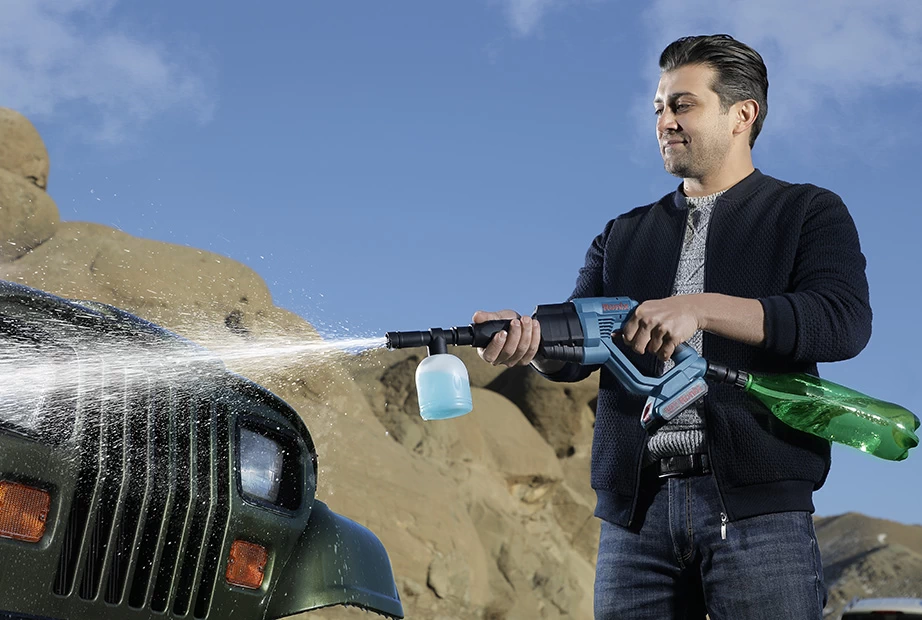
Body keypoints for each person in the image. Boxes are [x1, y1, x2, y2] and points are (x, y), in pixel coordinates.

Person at [473, 34, 872, 620]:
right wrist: (530, 339)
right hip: (636, 519)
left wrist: (702, 307)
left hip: (760, 516)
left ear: (743, 114)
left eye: (683, 105)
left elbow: (841, 322)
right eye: (659, 108)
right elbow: (580, 345)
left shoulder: (808, 211)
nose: (665, 121)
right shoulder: (622, 234)